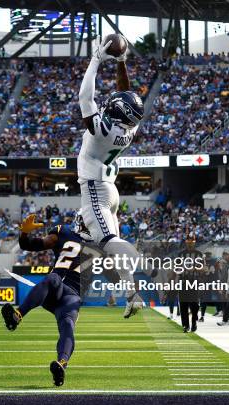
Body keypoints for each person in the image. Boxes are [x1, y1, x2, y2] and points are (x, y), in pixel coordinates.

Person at [77, 36, 144, 318]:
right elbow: (126, 94)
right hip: (107, 190)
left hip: (95, 190)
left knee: (109, 246)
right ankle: (130, 295)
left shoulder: (103, 130)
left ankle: (138, 265)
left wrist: (96, 59)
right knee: (83, 244)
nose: (112, 100)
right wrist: (121, 62)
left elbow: (85, 98)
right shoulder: (129, 128)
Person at [1, 214, 91, 387]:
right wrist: (24, 234)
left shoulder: (103, 243)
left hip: (72, 296)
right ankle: (17, 316)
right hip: (54, 290)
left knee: (68, 326)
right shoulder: (64, 233)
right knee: (53, 278)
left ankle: (61, 365)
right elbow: (30, 245)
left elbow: (117, 269)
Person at [177, 238, 205, 333]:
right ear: (186, 243)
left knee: (194, 305)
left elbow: (202, 269)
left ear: (194, 243)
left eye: (191, 242)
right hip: (183, 282)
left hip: (194, 281)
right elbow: (176, 269)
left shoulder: (199, 254)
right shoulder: (180, 254)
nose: (190, 244)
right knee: (183, 304)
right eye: (188, 242)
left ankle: (194, 323)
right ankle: (185, 325)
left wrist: (193, 269)